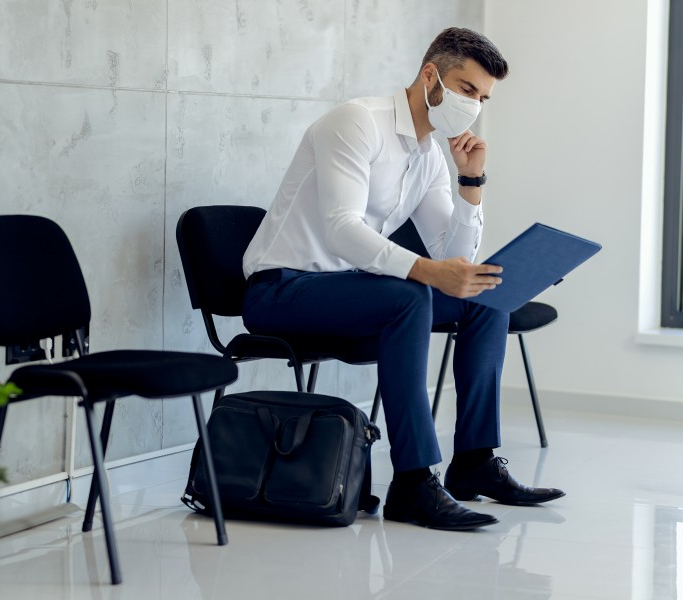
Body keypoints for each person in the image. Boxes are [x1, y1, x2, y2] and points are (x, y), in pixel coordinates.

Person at [241, 27, 564, 530]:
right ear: (430, 75)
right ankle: (413, 482)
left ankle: (474, 461)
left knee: (483, 298)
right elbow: (341, 228)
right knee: (410, 295)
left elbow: (455, 256)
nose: (472, 104)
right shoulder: (356, 122)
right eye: (465, 88)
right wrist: (430, 273)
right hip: (282, 289)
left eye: (481, 97)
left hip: (351, 290)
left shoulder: (431, 156)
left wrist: (471, 182)